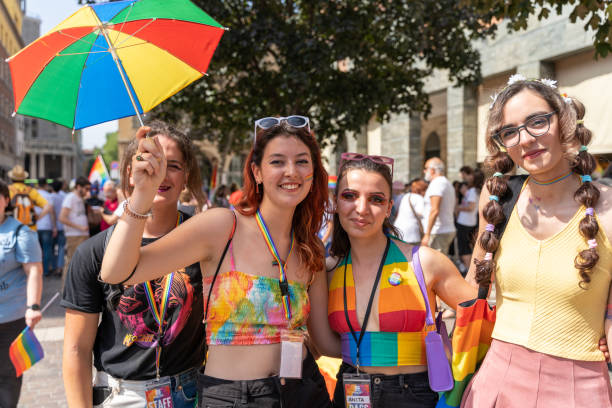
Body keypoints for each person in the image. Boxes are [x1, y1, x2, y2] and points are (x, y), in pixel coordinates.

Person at [99, 116, 333, 407]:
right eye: (277, 162)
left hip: (305, 391)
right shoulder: (223, 226)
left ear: (314, 172)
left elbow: (324, 341)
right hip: (234, 397)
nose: (291, 171)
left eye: (302, 161)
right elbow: (115, 272)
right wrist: (142, 195)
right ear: (257, 172)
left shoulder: (311, 247)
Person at [461, 76, 612, 406]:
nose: (526, 139)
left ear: (565, 121)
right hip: (495, 383)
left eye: (537, 122)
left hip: (579, 386)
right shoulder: (497, 198)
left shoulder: (607, 208)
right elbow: (471, 285)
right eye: (510, 131)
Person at [311, 153, 476, 407]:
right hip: (351, 391)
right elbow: (324, 344)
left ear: (389, 207)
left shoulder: (424, 262)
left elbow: (479, 321)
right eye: (349, 196)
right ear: (335, 203)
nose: (361, 208)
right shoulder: (328, 271)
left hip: (414, 394)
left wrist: (444, 352)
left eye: (376, 199)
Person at [62, 121, 206, 407]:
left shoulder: (204, 240)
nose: (160, 172)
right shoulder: (93, 252)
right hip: (121, 396)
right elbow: (77, 349)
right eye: (149, 161)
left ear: (186, 176)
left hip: (190, 393)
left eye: (172, 165)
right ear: (130, 173)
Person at [0, 180, 43, 408]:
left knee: (7, 378)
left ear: (6, 200)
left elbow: (34, 269)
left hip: (10, 319)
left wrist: (33, 306)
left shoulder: (20, 232)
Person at [58, 177, 90, 284]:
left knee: (80, 263)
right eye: (86, 188)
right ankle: (66, 289)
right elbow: (62, 218)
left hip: (81, 235)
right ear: (78, 187)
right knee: (71, 262)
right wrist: (80, 227)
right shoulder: (70, 197)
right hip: (74, 236)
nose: (87, 191)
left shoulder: (80, 198)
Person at [421, 158, 456, 254]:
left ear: (432, 170)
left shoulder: (437, 183)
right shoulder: (445, 182)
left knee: (435, 265)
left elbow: (434, 210)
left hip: (438, 231)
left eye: (426, 168)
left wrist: (427, 234)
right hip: (443, 229)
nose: (424, 171)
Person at [7, 165, 52, 230]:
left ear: (11, 178)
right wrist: (37, 218)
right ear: (24, 178)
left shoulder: (7, 190)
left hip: (11, 228)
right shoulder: (31, 191)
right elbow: (48, 206)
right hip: (30, 228)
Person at [455, 169, 484, 271]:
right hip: (470, 222)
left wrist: (458, 208)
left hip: (465, 223)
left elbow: (471, 207)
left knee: (464, 249)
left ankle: (469, 271)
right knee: (468, 247)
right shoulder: (476, 191)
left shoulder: (472, 191)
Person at [35, 178, 58, 277]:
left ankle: (35, 270)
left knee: (36, 249)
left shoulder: (33, 195)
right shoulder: (48, 196)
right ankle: (45, 270)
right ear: (45, 185)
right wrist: (54, 226)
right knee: (47, 249)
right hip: (46, 225)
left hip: (34, 226)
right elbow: (52, 212)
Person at [394, 179, 425, 246]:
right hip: (412, 233)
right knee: (413, 254)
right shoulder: (419, 198)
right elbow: (421, 214)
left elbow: (396, 210)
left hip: (399, 229)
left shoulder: (403, 196)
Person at [51, 180, 66, 277]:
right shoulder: (64, 196)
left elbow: (52, 213)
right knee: (61, 248)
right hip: (63, 225)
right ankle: (60, 268)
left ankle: (53, 267)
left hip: (52, 226)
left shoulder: (51, 197)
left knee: (50, 248)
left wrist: (54, 226)